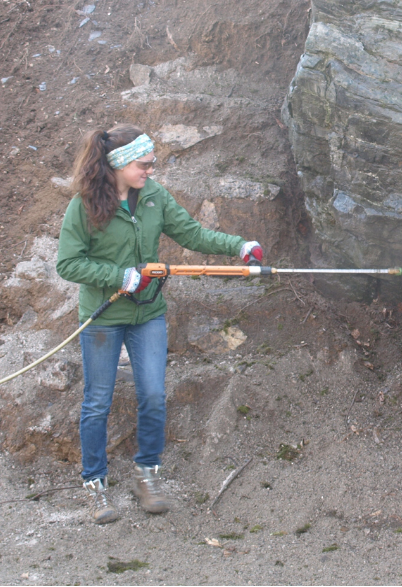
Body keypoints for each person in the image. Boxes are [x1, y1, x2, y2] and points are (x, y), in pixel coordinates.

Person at [56, 124, 262, 524]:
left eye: (152, 163)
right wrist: (118, 276)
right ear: (118, 164)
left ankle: (147, 475)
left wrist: (238, 245)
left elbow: (192, 233)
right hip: (103, 317)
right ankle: (95, 485)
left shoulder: (153, 196)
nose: (150, 170)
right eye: (143, 164)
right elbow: (68, 263)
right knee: (97, 401)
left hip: (147, 313)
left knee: (153, 394)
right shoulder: (83, 205)